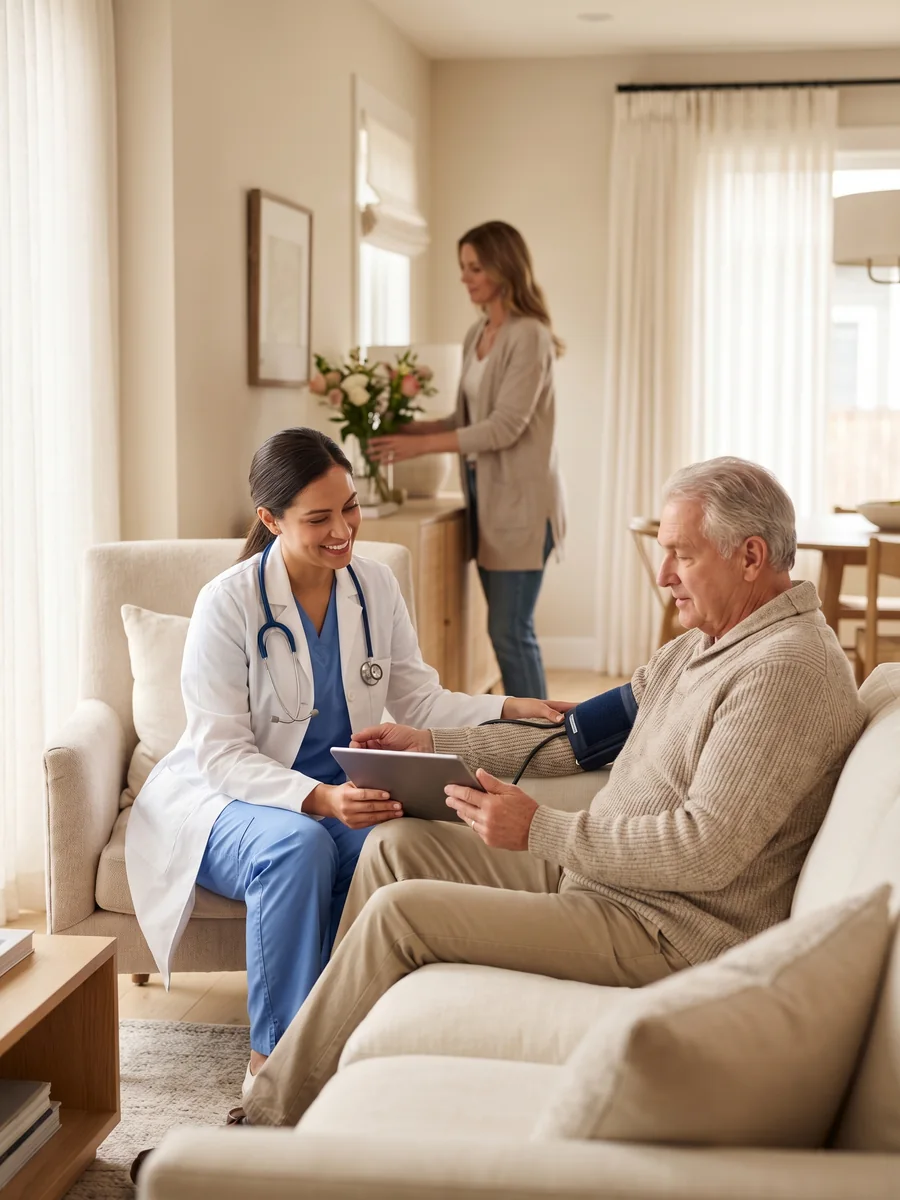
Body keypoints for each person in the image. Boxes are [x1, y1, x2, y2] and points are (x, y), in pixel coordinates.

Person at [240, 456, 866, 1127]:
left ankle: (271, 1115)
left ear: (750, 557)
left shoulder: (784, 671)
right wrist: (434, 745)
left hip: (666, 928)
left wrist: (541, 830)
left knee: (400, 916)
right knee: (395, 846)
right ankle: (339, 1070)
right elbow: (576, 740)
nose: (663, 577)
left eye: (681, 556)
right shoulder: (700, 647)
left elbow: (705, 848)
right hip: (604, 878)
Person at [124, 427, 566, 1097]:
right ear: (271, 520)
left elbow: (418, 696)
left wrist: (506, 707)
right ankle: (274, 1062)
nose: (343, 530)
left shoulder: (373, 586)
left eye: (350, 508)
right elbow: (219, 751)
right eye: (319, 518)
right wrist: (320, 801)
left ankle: (356, 1036)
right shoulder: (228, 603)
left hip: (336, 790)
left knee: (392, 841)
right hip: (225, 799)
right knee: (298, 848)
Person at [368, 220, 566, 701]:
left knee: (510, 633)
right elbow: (466, 415)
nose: (465, 277)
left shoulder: (529, 336)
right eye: (463, 267)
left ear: (504, 266)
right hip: (486, 502)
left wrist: (419, 448)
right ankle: (533, 730)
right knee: (506, 633)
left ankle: (545, 737)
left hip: (521, 507)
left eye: (475, 266)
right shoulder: (478, 332)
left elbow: (504, 426)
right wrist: (410, 429)